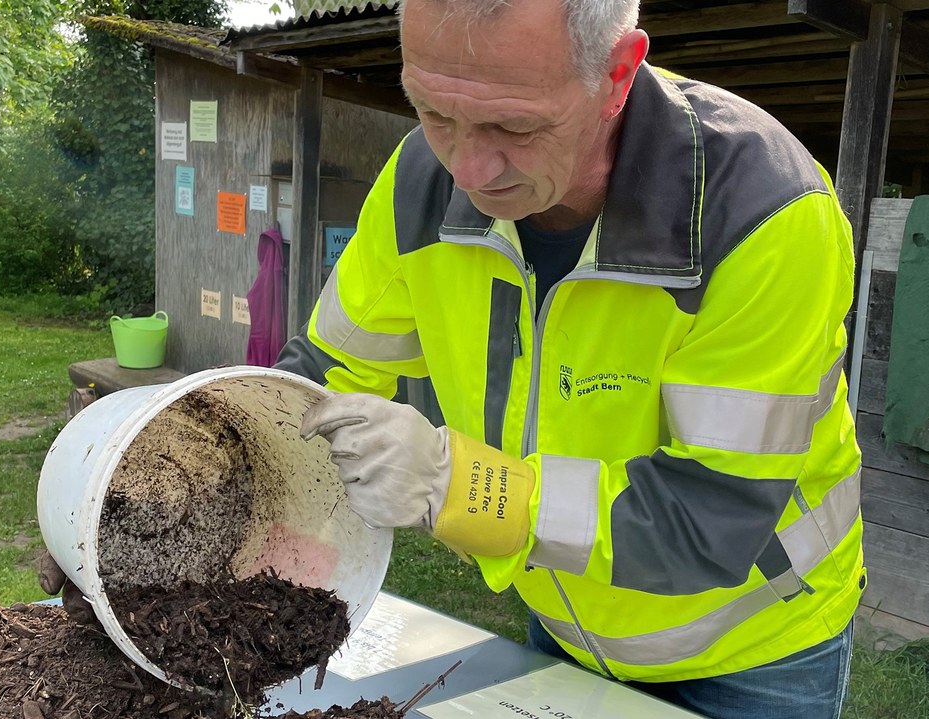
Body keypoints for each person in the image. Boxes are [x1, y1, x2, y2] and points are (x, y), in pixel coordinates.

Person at [44, 1, 865, 716]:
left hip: (752, 649)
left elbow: (708, 522)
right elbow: (315, 383)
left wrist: (451, 483)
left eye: (513, 126)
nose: (469, 171)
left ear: (618, 73)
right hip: (566, 615)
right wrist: (127, 480)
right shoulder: (418, 185)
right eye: (433, 111)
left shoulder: (762, 214)